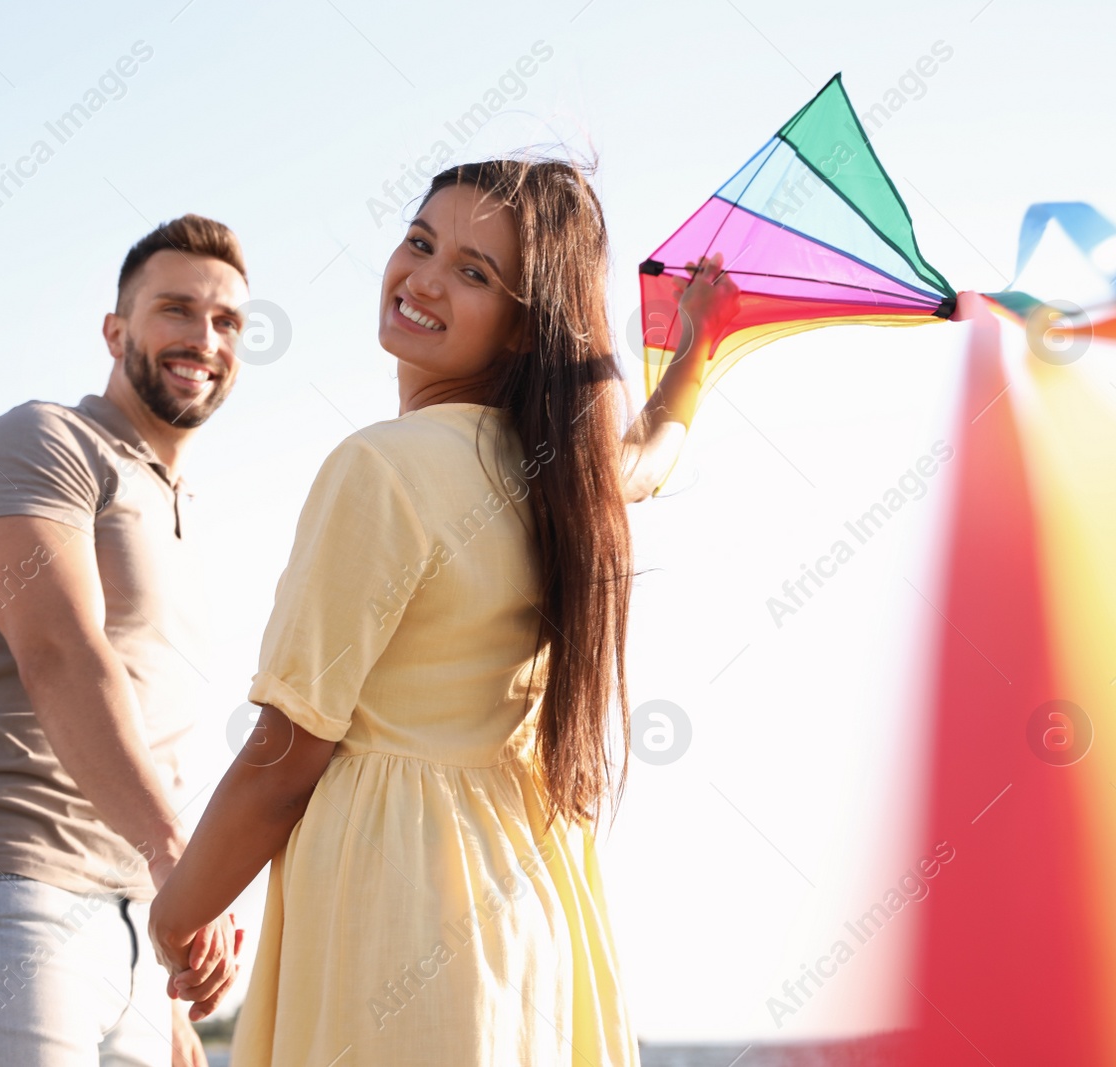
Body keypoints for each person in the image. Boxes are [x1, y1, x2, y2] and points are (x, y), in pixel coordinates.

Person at [147, 159, 740, 1063]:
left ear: (521, 329)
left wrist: (179, 909)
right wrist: (696, 354)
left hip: (396, 912)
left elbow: (284, 756)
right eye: (420, 242)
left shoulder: (384, 469)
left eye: (473, 272)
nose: (422, 278)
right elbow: (648, 457)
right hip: (532, 916)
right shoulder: (573, 486)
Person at [0, 214, 248, 1067]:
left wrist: (165, 986)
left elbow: (151, 733)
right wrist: (182, 869)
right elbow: (60, 652)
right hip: (5, 892)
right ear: (116, 330)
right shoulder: (43, 442)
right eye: (176, 309)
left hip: (132, 925)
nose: (203, 337)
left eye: (228, 321)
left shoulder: (177, 506)